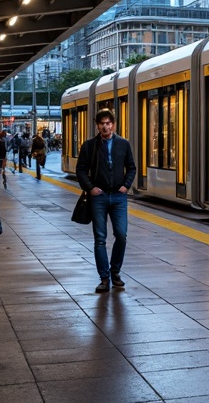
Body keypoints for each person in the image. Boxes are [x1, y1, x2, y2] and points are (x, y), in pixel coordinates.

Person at [76, 110, 136, 293]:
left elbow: (132, 167)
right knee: (100, 239)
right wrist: (90, 188)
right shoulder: (89, 146)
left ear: (114, 125)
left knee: (121, 235)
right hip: (98, 197)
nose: (105, 126)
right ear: (97, 125)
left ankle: (115, 271)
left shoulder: (123, 144)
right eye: (102, 123)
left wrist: (126, 185)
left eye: (108, 123)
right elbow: (81, 170)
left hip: (118, 197)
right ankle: (104, 278)